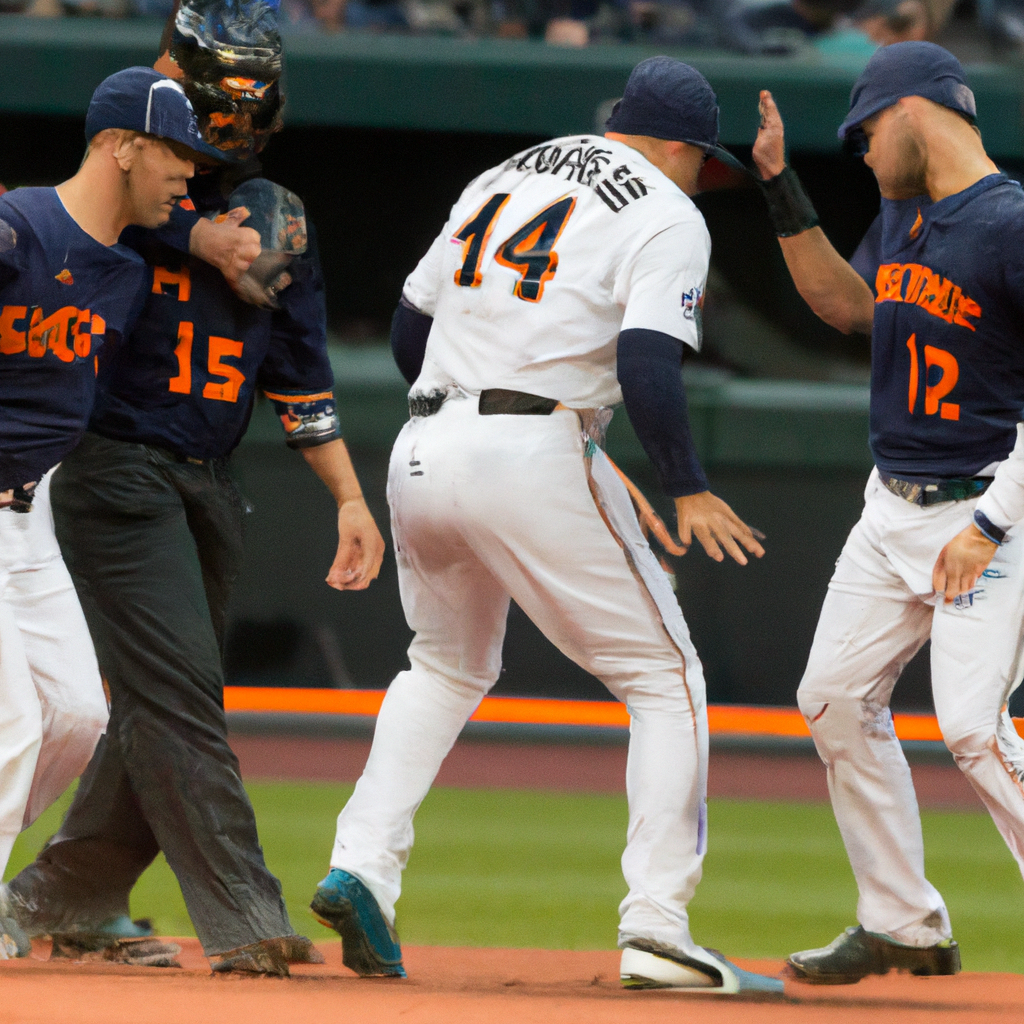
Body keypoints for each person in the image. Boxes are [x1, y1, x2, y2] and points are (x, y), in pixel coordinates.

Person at [307, 56, 782, 996]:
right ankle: (657, 926)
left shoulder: (507, 172)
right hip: (530, 447)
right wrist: (683, 483)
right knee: (664, 676)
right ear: (679, 144)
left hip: (422, 443)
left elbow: (412, 328)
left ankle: (361, 865)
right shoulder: (667, 210)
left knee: (440, 666)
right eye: (702, 159)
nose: (701, 177)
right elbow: (648, 359)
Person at [6, 0, 386, 978]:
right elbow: (88, 211)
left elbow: (300, 377)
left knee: (137, 706)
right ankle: (245, 915)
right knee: (163, 699)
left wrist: (348, 496)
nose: (190, 156)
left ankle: (61, 895)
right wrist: (190, 234)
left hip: (205, 479)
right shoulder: (107, 215)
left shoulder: (278, 216)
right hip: (109, 470)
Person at [749, 40, 1024, 983]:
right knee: (832, 701)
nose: (861, 151)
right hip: (890, 505)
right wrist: (781, 189)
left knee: (975, 731)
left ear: (911, 109)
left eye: (865, 132)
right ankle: (904, 922)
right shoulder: (907, 214)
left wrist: (987, 527)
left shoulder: (1012, 224)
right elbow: (844, 305)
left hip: (990, 507)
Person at [0, 66, 223, 958]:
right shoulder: (18, 226)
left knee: (76, 720)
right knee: (12, 718)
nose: (189, 172)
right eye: (174, 151)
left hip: (31, 517)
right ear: (118, 145)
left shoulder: (125, 277)